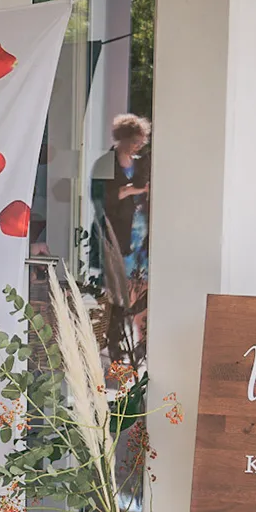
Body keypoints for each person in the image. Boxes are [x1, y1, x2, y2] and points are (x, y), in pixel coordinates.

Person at [90, 114, 152, 363]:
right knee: (120, 293)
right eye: (134, 142)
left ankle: (141, 343)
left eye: (141, 142)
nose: (138, 146)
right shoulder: (106, 163)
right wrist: (136, 190)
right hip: (119, 237)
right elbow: (106, 198)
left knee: (143, 291)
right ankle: (115, 344)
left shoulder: (141, 163)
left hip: (143, 237)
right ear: (122, 138)